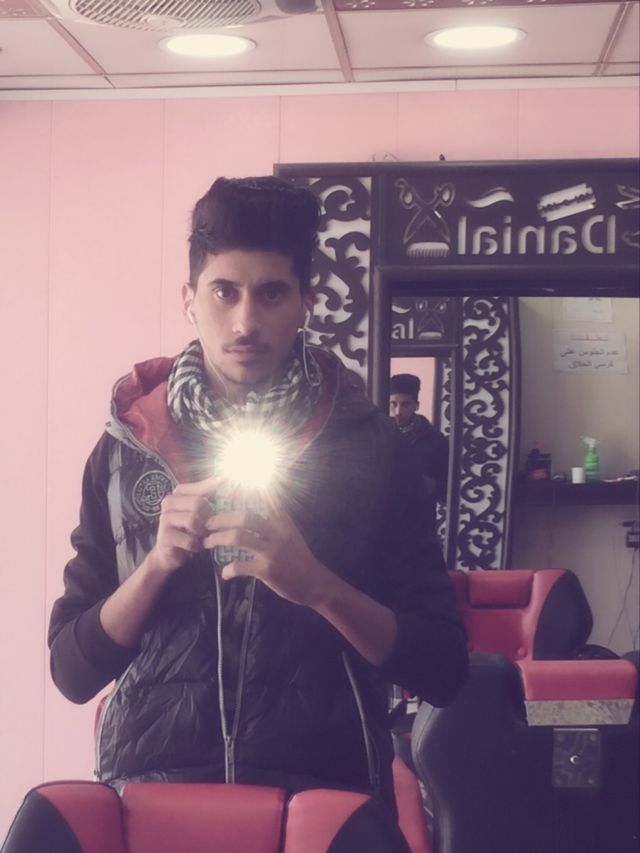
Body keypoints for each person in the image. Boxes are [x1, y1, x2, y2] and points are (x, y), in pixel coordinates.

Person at [48, 177, 468, 846]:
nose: (245, 322)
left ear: (305, 303)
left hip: (325, 806)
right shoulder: (127, 450)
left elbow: (442, 670)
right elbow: (72, 672)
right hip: (155, 807)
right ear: (189, 299)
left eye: (271, 293)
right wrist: (156, 565)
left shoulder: (373, 449)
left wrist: (318, 586)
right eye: (225, 292)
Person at [389, 373, 449, 506]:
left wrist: (424, 482)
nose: (398, 411)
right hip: (383, 513)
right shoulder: (378, 435)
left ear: (416, 405)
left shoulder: (436, 440)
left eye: (405, 404)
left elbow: (447, 490)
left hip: (419, 512)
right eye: (393, 404)